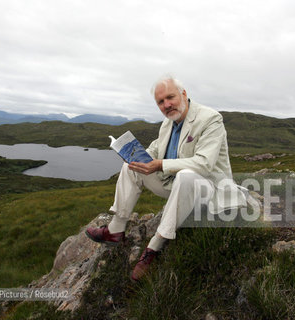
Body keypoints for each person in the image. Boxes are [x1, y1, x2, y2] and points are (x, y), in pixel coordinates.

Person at [85, 75, 243, 281]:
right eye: (160, 102)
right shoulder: (167, 124)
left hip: (209, 190)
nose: (166, 105)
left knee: (187, 176)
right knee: (131, 166)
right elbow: (156, 149)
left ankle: (154, 248)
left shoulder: (211, 119)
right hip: (177, 187)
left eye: (170, 97)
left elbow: (204, 164)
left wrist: (159, 164)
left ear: (183, 94)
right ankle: (115, 230)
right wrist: (136, 155)